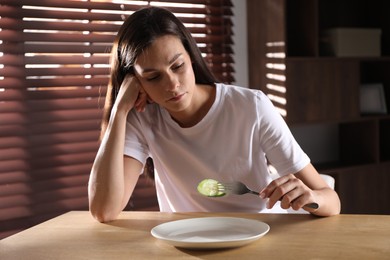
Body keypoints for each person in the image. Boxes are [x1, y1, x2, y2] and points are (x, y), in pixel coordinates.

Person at [88, 6, 341, 222]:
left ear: (191, 56)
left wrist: (312, 197)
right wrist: (120, 110)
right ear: (136, 82)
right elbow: (104, 210)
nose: (173, 84)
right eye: (153, 77)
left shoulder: (251, 106)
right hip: (187, 242)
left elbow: (332, 201)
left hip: (257, 236)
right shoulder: (143, 118)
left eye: (178, 66)